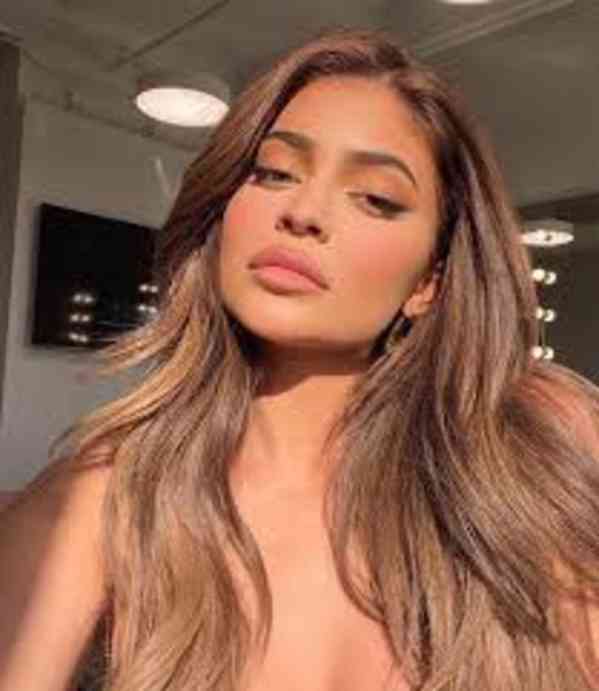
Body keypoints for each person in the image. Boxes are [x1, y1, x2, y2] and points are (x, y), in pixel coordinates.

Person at [1, 27, 598, 691]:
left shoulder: (535, 443)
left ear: (429, 281)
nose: (304, 211)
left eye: (375, 198)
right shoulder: (108, 497)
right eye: (274, 173)